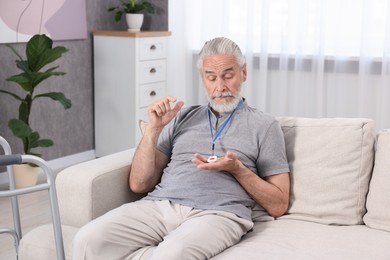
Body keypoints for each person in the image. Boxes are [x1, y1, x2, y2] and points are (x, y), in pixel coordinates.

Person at [73, 37, 290, 260]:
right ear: (203, 79)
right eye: (211, 77)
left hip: (219, 213)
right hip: (160, 205)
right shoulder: (181, 117)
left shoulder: (264, 125)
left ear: (243, 73)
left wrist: (238, 169)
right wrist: (153, 131)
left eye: (228, 75)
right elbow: (139, 184)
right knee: (87, 239)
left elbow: (279, 204)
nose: (220, 87)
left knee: (171, 254)